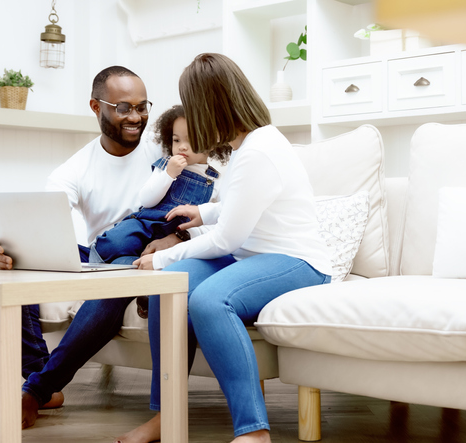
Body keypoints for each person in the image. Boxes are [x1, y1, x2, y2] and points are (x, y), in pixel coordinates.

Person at [117, 53, 333, 443]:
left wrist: (162, 256)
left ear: (208, 106)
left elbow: (225, 241)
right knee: (169, 287)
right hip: (253, 256)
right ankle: (166, 415)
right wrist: (204, 211)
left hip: (298, 261)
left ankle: (254, 430)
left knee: (209, 300)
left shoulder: (258, 151)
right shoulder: (245, 147)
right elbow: (243, 205)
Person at [0, 66, 186, 429]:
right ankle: (39, 374)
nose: (136, 117)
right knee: (3, 257)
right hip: (101, 254)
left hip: (141, 256)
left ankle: (37, 390)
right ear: (96, 107)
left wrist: (178, 238)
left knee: (117, 275)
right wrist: (9, 245)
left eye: (142, 107)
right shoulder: (76, 168)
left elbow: (206, 203)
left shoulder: (167, 149)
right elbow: (41, 225)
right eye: (123, 108)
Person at [88, 104, 228, 265]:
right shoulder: (166, 165)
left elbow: (217, 220)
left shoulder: (216, 181)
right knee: (116, 243)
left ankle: (123, 265)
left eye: (191, 140)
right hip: (145, 225)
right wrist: (169, 174)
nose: (182, 146)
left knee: (134, 263)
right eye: (176, 140)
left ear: (211, 143)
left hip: (175, 235)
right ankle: (94, 258)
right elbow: (146, 200)